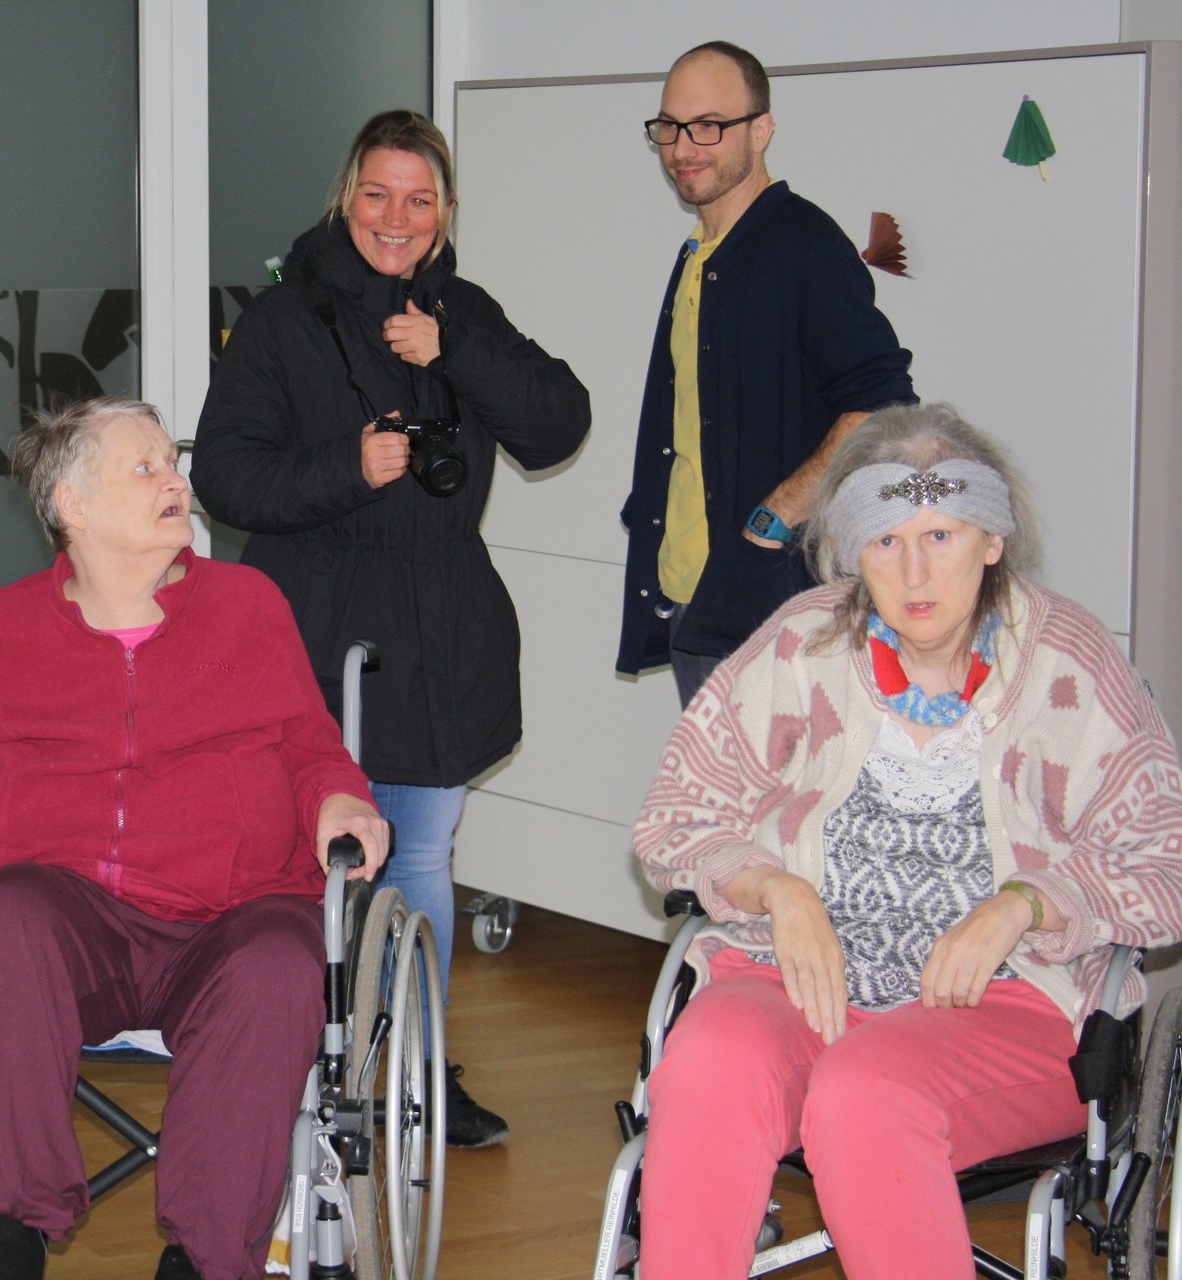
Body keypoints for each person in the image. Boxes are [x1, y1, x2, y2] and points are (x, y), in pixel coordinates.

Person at [631, 402, 1182, 1278]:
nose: (914, 571)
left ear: (992, 541)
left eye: (942, 536)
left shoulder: (1069, 667)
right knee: (706, 1065)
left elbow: (1163, 861)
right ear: (854, 551)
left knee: (866, 1093)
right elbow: (675, 817)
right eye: (885, 541)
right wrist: (777, 889)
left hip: (1006, 1005)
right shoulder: (801, 646)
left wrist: (1026, 902)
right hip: (797, 981)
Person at [0, 396, 388, 1280]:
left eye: (173, 462)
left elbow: (311, 746)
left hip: (235, 915)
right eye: (146, 466)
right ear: (71, 505)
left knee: (282, 961)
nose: (176, 482)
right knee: (9, 912)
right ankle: (3, 1235)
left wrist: (342, 801)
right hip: (75, 926)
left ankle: (204, 1258)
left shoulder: (246, 605)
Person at [191, 108, 590, 1149]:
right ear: (345, 197)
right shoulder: (282, 320)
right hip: (310, 630)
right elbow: (224, 476)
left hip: (441, 629)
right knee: (303, 864)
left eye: (419, 199)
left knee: (417, 862)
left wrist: (457, 352)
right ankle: (292, 1066)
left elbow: (558, 422)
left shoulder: (464, 311)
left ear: (445, 210)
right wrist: (347, 467)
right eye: (377, 194)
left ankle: (414, 1068)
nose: (396, 218)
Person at [617, 40, 917, 706]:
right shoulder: (700, 254)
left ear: (761, 129)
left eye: (708, 125)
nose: (683, 147)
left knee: (781, 781)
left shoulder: (804, 245)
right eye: (669, 127)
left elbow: (883, 405)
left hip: (772, 617)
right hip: (694, 602)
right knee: (711, 780)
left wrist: (772, 519)